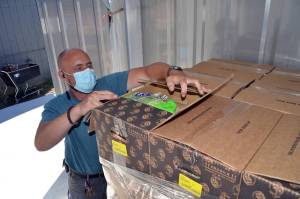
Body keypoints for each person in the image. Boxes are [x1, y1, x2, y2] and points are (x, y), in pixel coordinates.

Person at [34, 48, 209, 199]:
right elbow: (41, 142)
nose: (87, 71)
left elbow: (148, 72)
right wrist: (79, 109)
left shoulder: (108, 84)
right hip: (85, 182)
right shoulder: (57, 105)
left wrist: (173, 72)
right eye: (79, 68)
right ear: (63, 75)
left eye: (89, 65)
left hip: (118, 173)